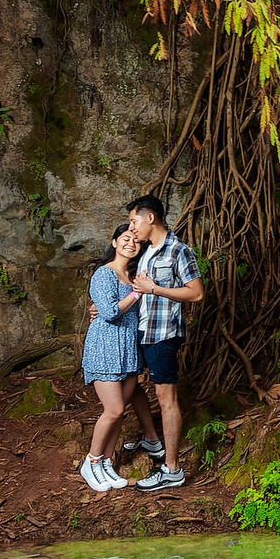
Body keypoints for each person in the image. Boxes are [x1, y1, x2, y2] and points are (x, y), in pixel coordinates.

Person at [126, 193, 203, 492]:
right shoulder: (146, 252)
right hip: (141, 333)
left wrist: (155, 288)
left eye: (135, 221)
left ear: (150, 218)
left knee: (166, 399)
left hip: (163, 335)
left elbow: (196, 293)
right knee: (127, 385)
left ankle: (172, 469)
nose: (132, 227)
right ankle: (151, 439)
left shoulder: (177, 251)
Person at [79, 224, 147, 492]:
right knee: (114, 409)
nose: (131, 243)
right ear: (115, 242)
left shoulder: (134, 276)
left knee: (120, 413)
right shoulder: (103, 274)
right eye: (126, 239)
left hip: (129, 350)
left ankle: (106, 464)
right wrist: (135, 294)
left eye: (136, 241)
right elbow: (108, 312)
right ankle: (91, 462)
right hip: (105, 349)